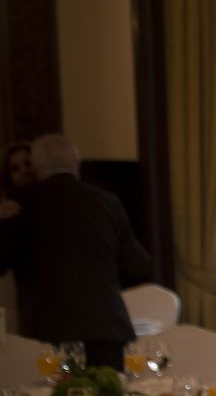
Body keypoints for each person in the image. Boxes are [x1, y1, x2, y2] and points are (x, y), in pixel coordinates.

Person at [0, 134, 152, 367]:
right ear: (76, 163)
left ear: (38, 166)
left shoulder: (21, 203)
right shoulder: (107, 201)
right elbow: (138, 265)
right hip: (107, 327)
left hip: (48, 332)